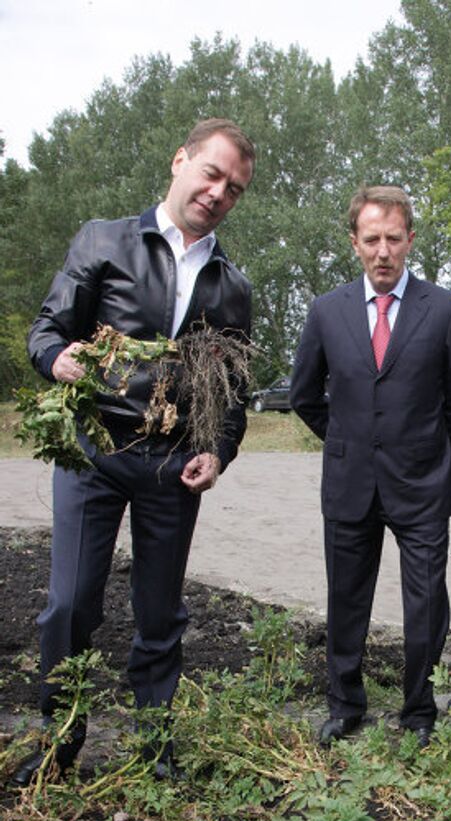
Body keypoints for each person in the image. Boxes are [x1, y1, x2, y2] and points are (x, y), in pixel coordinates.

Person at [10, 118, 255, 786]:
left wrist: (219, 452)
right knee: (69, 604)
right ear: (180, 161)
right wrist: (56, 357)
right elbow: (47, 328)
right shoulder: (104, 240)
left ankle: (154, 749)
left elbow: (231, 393)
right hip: (93, 451)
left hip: (171, 468)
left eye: (233, 188)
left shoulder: (231, 287)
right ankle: (60, 740)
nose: (218, 192)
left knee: (159, 613)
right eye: (211, 173)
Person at [290, 185, 451, 747]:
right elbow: (304, 396)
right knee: (346, 598)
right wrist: (349, 440)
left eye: (393, 239)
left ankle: (419, 710)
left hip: (421, 484)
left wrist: (422, 444)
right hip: (349, 482)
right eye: (371, 239)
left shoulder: (444, 309)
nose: (382, 251)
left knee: (425, 604)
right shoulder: (327, 311)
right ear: (354, 243)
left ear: (409, 241)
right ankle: (344, 704)